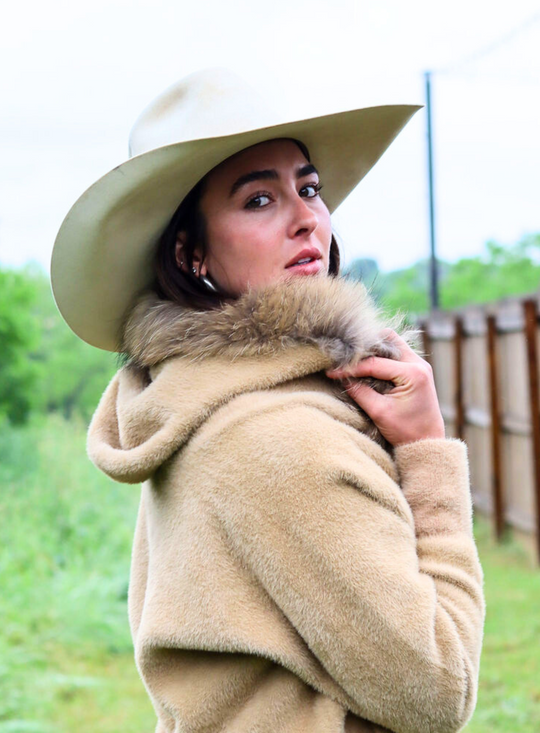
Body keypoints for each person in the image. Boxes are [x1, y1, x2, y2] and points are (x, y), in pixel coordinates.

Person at [50, 68, 485, 733]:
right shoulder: (276, 437)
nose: (308, 217)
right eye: (259, 200)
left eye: (308, 188)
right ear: (192, 251)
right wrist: (427, 452)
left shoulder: (197, 401)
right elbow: (437, 690)